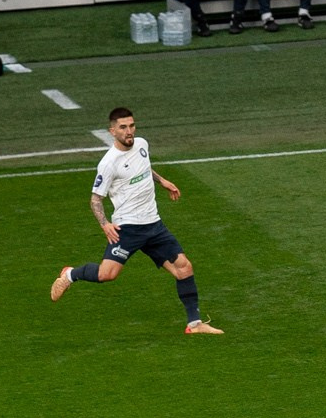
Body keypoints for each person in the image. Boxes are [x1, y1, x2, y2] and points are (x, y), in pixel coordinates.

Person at [50, 105, 223, 333]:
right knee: (107, 274)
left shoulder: (142, 144)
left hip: (154, 224)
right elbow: (95, 199)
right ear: (112, 131)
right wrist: (105, 224)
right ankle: (70, 274)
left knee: (184, 268)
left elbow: (144, 167)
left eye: (131, 126)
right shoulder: (108, 163)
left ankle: (195, 324)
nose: (129, 131)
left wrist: (162, 181)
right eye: (123, 127)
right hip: (128, 228)